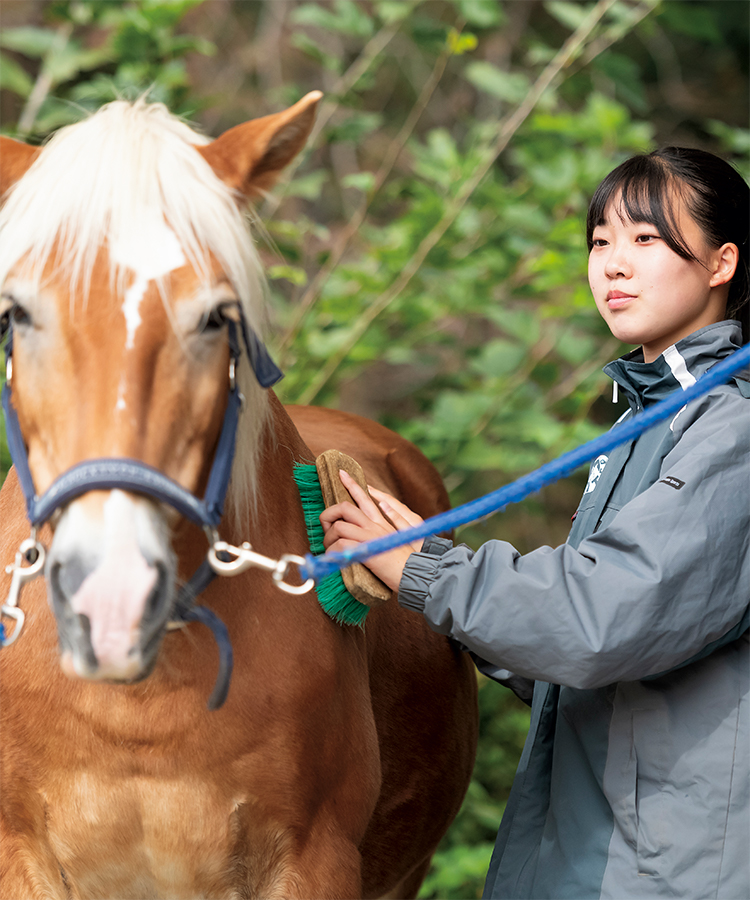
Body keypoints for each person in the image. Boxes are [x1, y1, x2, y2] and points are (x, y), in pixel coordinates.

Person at [321, 147, 750, 899]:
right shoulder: (652, 418)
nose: (614, 265)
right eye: (599, 242)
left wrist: (426, 567)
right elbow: (566, 653)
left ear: (721, 263)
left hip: (669, 876)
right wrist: (423, 583)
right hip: (595, 856)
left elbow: (602, 619)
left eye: (645, 240)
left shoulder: (733, 429)